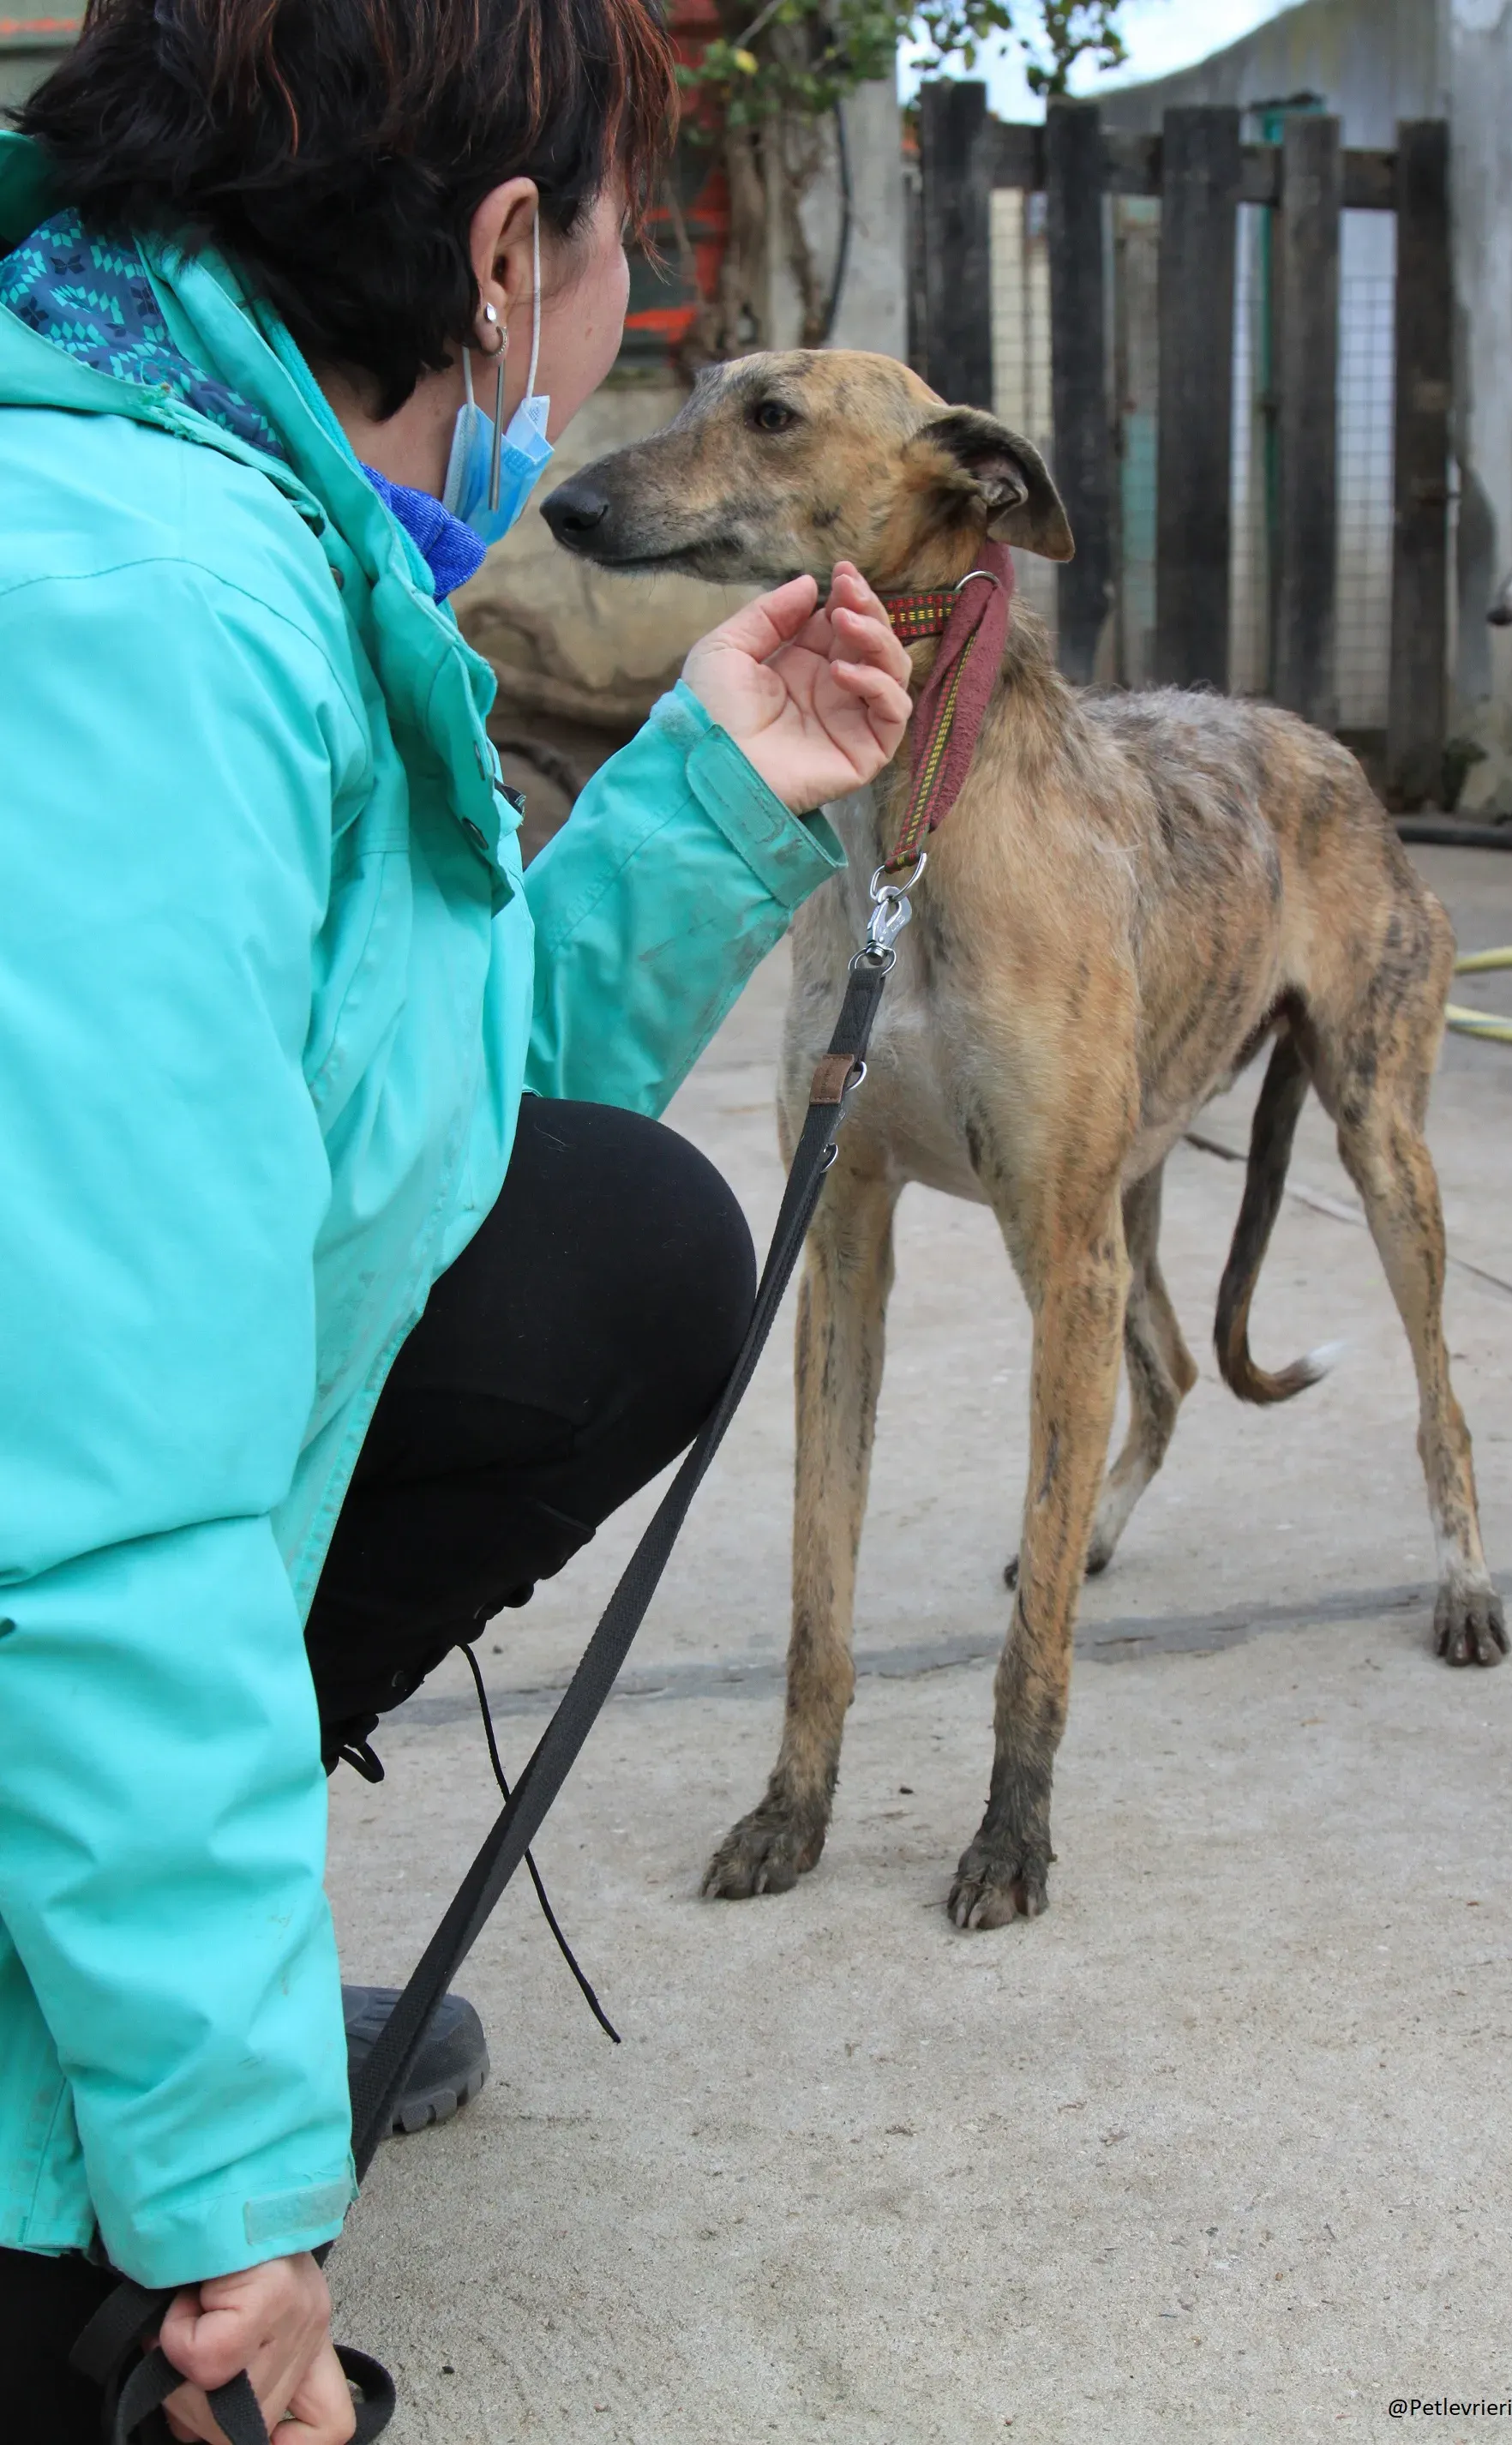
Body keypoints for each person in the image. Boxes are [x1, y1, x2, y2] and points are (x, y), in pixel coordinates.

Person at [0, 3, 913, 2436]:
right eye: (629, 251)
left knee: (611, 1246)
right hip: (44, 1566)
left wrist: (705, 796)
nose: (629, 319)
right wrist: (227, 2199)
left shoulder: (230, 511)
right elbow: (95, 1500)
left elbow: (399, 1140)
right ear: (506, 262)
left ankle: (133, 2007)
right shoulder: (145, 621)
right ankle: (91, 2087)